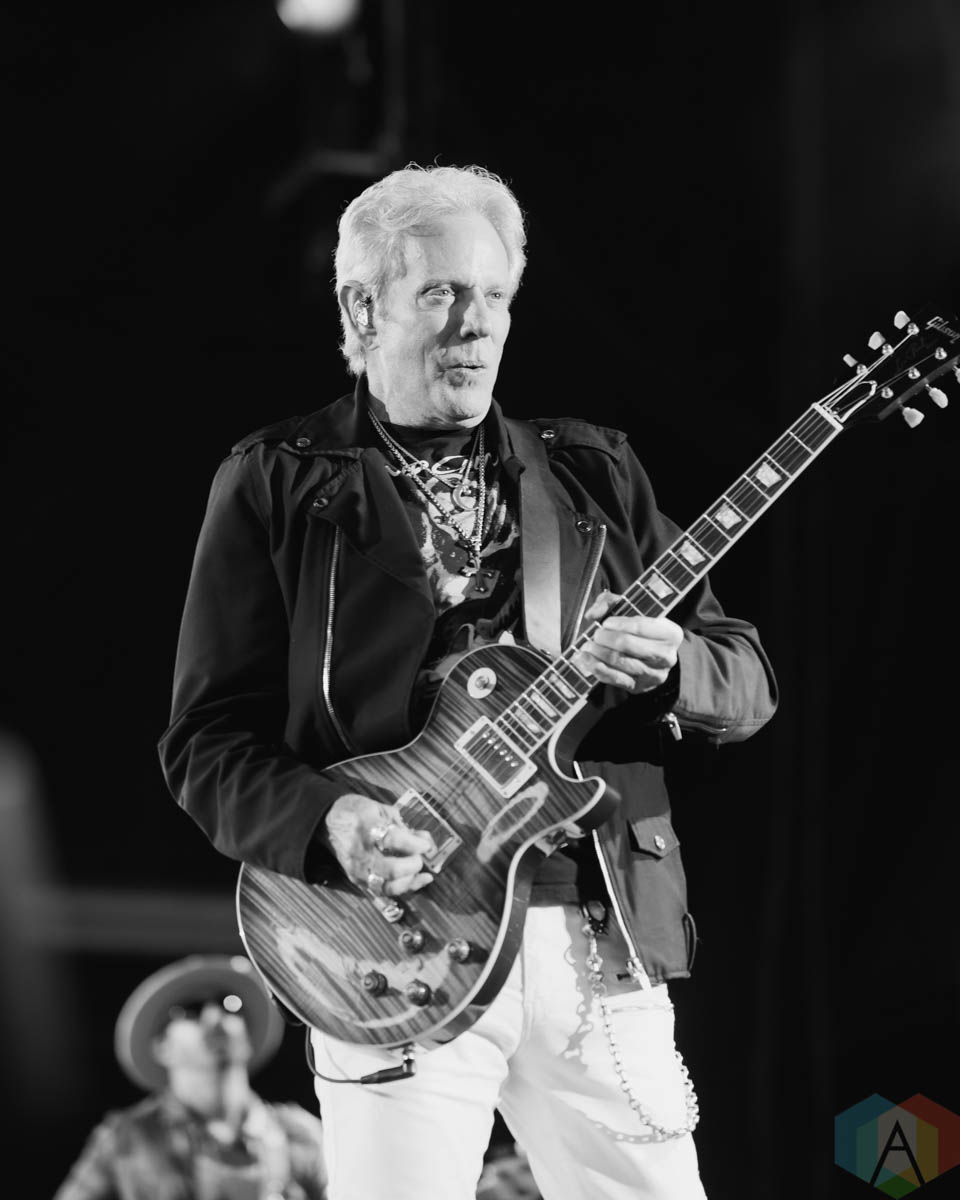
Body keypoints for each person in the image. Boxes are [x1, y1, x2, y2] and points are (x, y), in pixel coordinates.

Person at [158, 163, 778, 1200]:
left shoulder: (589, 474)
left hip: (595, 936)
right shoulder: (278, 480)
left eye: (494, 295)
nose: (477, 323)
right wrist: (330, 821)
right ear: (364, 308)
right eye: (442, 292)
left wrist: (676, 667)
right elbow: (205, 741)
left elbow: (746, 677)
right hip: (385, 944)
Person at [54, 954, 328, 1200]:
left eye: (229, 1004)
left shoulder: (301, 1134)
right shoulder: (126, 1140)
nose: (215, 1016)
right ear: (162, 1048)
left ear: (246, 1037)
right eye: (192, 1009)